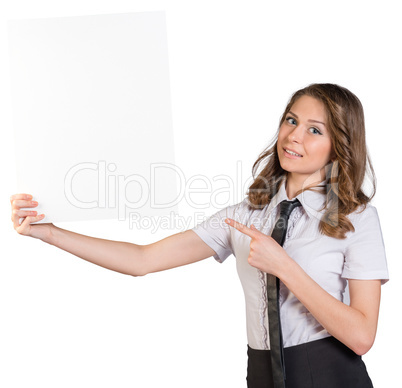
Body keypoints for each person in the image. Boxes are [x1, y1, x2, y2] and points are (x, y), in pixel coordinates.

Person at [10, 83, 388, 387]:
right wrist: (49, 233)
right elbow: (142, 260)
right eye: (291, 120)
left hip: (331, 374)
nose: (294, 137)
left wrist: (285, 267)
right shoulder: (245, 216)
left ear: (339, 144)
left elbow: (361, 336)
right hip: (260, 373)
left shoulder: (357, 219)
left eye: (314, 130)